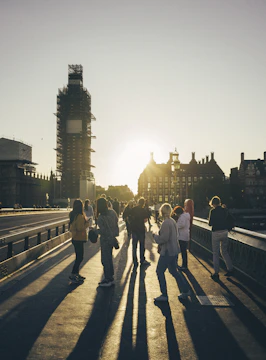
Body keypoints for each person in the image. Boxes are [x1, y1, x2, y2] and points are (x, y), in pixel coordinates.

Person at [152, 203, 191, 301]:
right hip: (174, 250)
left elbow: (164, 238)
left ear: (162, 211)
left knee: (159, 271)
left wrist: (155, 236)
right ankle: (185, 290)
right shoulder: (173, 221)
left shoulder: (166, 223)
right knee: (174, 271)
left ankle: (164, 295)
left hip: (167, 251)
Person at [208, 196, 234, 281]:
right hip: (224, 232)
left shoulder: (212, 211)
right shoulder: (224, 210)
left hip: (216, 233)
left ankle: (216, 273)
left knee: (215, 253)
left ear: (213, 203)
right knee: (224, 251)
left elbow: (210, 223)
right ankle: (230, 269)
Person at [96, 197, 120, 287]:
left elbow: (103, 230)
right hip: (112, 239)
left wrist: (96, 231)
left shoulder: (101, 217)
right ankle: (111, 277)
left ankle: (107, 279)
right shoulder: (112, 212)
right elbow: (116, 223)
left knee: (105, 259)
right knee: (109, 258)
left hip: (105, 240)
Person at [69, 199, 90, 284]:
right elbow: (80, 228)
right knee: (80, 257)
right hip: (79, 238)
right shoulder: (80, 216)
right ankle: (73, 274)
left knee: (78, 257)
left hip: (75, 239)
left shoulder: (73, 215)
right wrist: (87, 223)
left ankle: (76, 274)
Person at [130, 197, 150, 268]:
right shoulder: (143, 210)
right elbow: (145, 220)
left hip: (134, 229)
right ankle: (142, 259)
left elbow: (130, 217)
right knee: (142, 245)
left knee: (134, 246)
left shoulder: (133, 209)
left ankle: (135, 260)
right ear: (143, 203)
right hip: (141, 229)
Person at [172, 206, 190, 270]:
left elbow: (181, 225)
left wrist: (175, 225)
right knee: (183, 251)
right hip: (185, 235)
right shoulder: (186, 216)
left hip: (182, 236)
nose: (176, 215)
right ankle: (184, 265)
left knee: (182, 251)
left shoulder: (182, 217)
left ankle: (184, 265)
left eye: (176, 213)